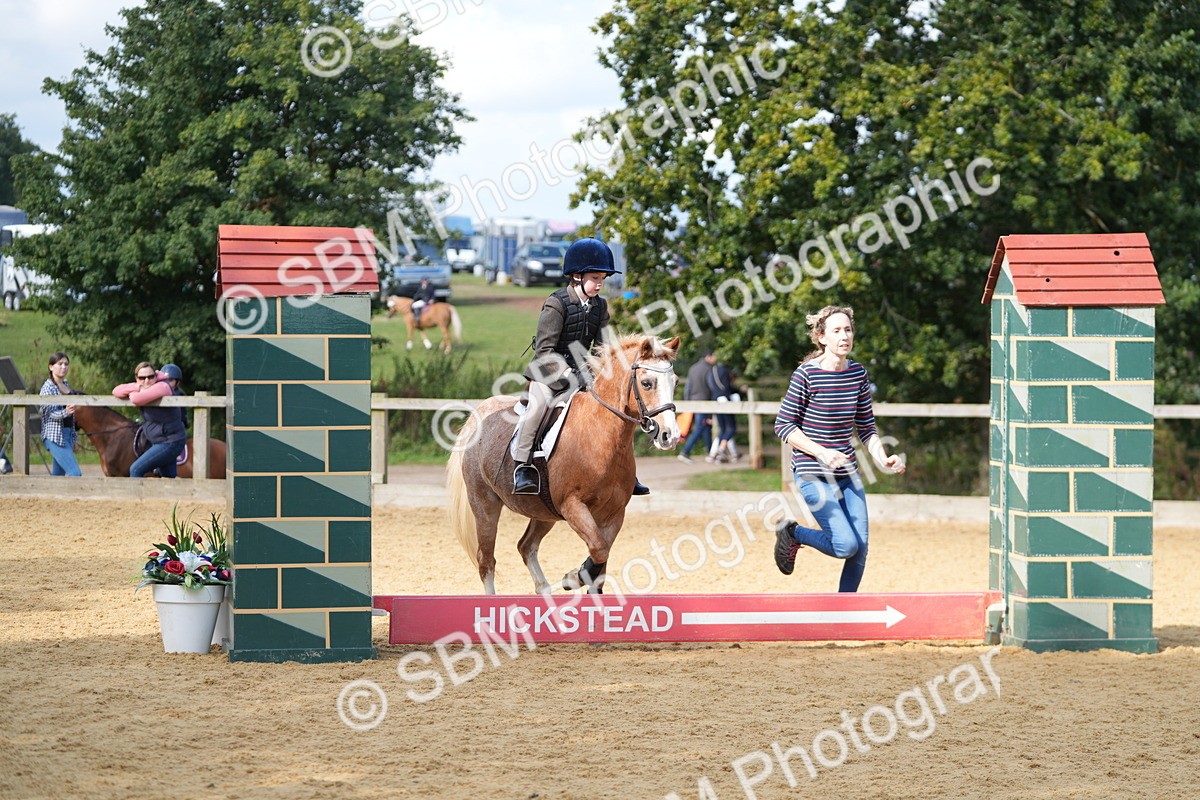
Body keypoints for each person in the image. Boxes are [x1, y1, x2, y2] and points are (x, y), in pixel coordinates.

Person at [772, 305, 905, 592]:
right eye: (836, 331)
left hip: (846, 474)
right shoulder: (806, 375)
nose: (844, 336)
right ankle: (793, 532)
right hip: (811, 473)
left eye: (848, 329)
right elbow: (783, 425)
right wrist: (822, 452)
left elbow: (867, 428)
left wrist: (883, 459)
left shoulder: (857, 373)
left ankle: (845, 612)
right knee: (846, 545)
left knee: (861, 547)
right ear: (821, 338)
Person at [512, 237, 649, 497]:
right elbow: (545, 350)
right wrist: (570, 374)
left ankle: (624, 472)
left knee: (613, 411)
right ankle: (522, 465)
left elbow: (604, 347)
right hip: (547, 371)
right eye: (595, 278)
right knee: (538, 407)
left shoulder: (600, 306)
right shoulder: (556, 303)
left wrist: (608, 373)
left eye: (602, 279)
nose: (600, 284)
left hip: (582, 371)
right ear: (577, 276)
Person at [113, 362, 187, 478]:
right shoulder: (144, 386)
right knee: (168, 479)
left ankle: (136, 496)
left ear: (156, 376)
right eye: (142, 378)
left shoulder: (163, 386)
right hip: (162, 440)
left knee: (136, 469)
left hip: (170, 441)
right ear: (136, 378)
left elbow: (136, 399)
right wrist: (138, 387)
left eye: (150, 377)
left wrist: (135, 391)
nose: (147, 380)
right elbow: (116, 390)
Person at [39, 352, 83, 477]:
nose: (64, 367)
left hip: (67, 434)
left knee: (57, 477)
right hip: (54, 436)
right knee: (75, 473)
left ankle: (50, 496)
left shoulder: (66, 384)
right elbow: (49, 414)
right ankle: (76, 497)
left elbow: (71, 415)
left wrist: (72, 436)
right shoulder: (47, 387)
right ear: (51, 367)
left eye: (66, 364)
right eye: (60, 364)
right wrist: (66, 412)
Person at [677, 351, 716, 463]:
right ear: (708, 357)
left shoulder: (693, 368)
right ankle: (685, 451)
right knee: (700, 427)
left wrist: (687, 403)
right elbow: (711, 387)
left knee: (705, 427)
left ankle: (710, 453)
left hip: (692, 402)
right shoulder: (708, 369)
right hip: (703, 403)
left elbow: (688, 387)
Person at [706, 358, 742, 463]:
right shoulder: (725, 371)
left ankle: (714, 454)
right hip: (724, 400)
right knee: (731, 428)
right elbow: (727, 388)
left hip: (715, 400)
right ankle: (721, 449)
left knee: (723, 429)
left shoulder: (712, 371)